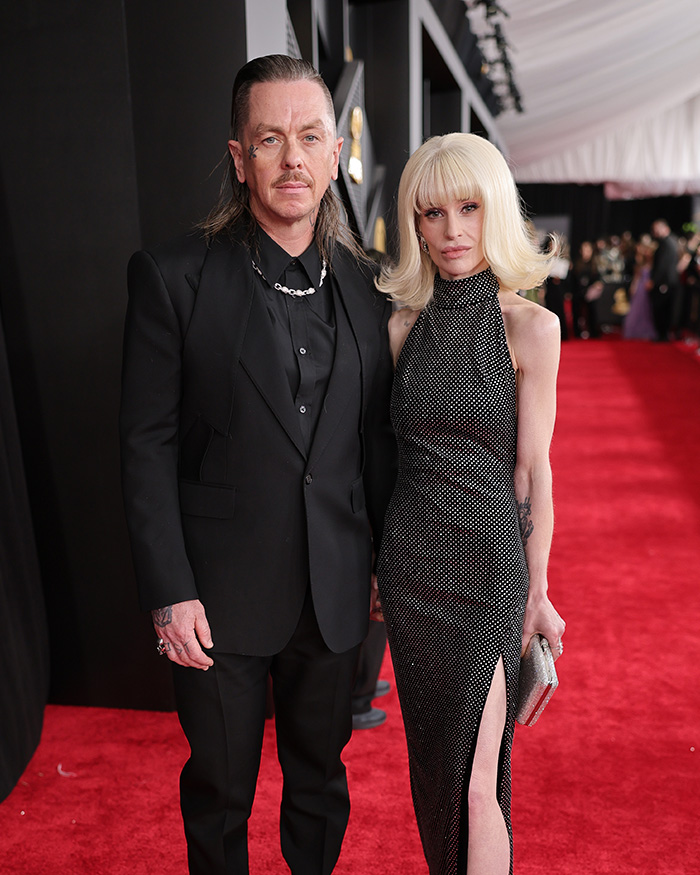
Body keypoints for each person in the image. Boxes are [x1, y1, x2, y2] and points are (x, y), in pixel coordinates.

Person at [119, 54, 396, 875]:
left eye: (310, 137)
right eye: (270, 140)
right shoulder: (172, 278)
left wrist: (383, 563)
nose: (293, 159)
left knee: (321, 783)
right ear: (240, 158)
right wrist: (169, 590)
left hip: (335, 588)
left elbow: (377, 441)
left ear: (332, 149)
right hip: (216, 596)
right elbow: (146, 443)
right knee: (220, 794)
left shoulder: (368, 284)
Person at [374, 133, 566, 875]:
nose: (451, 230)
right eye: (432, 213)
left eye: (469, 208)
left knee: (479, 776)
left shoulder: (532, 329)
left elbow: (534, 472)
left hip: (489, 570)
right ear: (414, 223)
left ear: (497, 212)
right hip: (412, 567)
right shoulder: (399, 328)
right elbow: (390, 460)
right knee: (436, 775)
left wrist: (538, 589)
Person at [649, 218, 680, 341]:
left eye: (656, 229)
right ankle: (663, 334)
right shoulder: (672, 241)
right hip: (668, 282)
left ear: (664, 228)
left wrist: (653, 280)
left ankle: (662, 335)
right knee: (664, 310)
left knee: (661, 310)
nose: (654, 232)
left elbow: (662, 265)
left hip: (664, 282)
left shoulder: (666, 244)